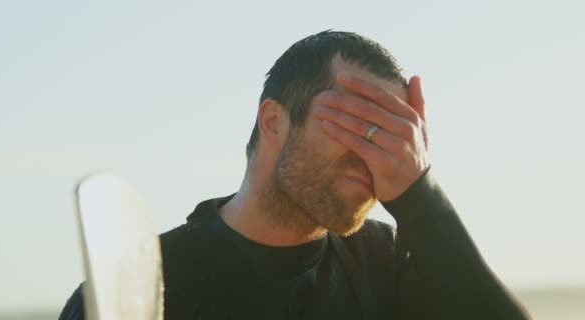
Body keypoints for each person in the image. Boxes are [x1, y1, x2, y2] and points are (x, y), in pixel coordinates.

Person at [60, 30, 530, 319]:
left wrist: (419, 197)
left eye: (393, 135)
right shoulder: (150, 283)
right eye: (359, 123)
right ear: (273, 123)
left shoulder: (387, 268)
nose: (377, 155)